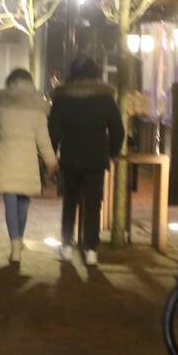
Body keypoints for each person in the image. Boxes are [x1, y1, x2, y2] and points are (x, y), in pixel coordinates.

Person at [48, 57, 124, 267]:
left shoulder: (62, 98)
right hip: (95, 158)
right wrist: (112, 151)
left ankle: (66, 245)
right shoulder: (106, 98)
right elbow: (117, 130)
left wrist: (52, 155)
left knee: (69, 202)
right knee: (93, 204)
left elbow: (53, 130)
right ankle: (91, 248)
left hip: (71, 156)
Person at [0, 68, 55, 263]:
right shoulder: (37, 105)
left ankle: (15, 244)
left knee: (10, 204)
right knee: (24, 204)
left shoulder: (3, 102)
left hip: (6, 157)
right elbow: (43, 138)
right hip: (28, 160)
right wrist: (51, 161)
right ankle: (19, 240)